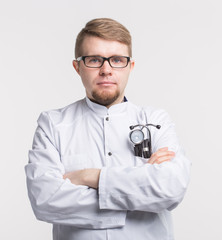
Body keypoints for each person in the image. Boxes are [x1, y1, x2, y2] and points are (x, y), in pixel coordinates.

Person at [25, 18, 191, 240]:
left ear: (130, 67)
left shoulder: (155, 120)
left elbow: (170, 188)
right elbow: (45, 200)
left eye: (117, 60)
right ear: (78, 67)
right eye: (94, 60)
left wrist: (90, 177)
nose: (106, 69)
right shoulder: (53, 124)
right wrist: (140, 188)